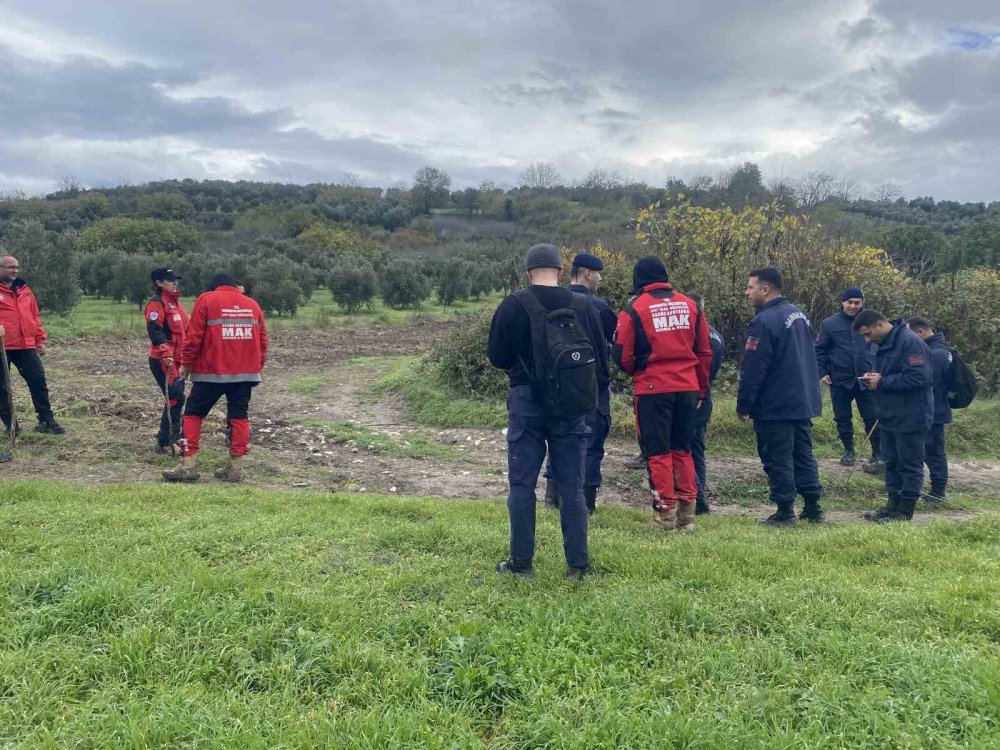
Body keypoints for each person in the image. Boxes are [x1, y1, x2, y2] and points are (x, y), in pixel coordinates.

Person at [487, 243, 608, 579]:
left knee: (522, 484)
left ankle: (521, 564)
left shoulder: (513, 304)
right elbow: (600, 357)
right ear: (560, 270)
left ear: (528, 273)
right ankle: (578, 567)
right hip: (571, 404)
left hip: (526, 401)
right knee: (572, 485)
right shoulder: (583, 305)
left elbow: (496, 356)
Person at [613, 256, 712, 532]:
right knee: (683, 450)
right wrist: (700, 388)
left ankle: (665, 514)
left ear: (638, 281)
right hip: (687, 388)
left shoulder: (634, 308)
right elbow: (705, 351)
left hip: (652, 389)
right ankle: (687, 515)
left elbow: (622, 355)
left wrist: (638, 371)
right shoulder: (691, 305)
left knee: (657, 452)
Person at [737, 268, 824, 526]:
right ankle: (813, 507)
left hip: (775, 403)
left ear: (765, 289)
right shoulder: (800, 316)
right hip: (802, 400)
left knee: (778, 457)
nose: (747, 292)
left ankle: (785, 511)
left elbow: (754, 367)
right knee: (802, 454)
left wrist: (744, 403)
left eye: (750, 287)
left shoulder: (763, 321)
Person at [163, 274, 268, 483]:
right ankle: (235, 467)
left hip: (211, 372)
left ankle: (188, 465)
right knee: (239, 417)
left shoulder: (206, 300)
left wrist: (186, 363)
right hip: (245, 374)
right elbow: (263, 340)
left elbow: (194, 336)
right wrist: (256, 366)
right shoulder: (252, 304)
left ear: (213, 287)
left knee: (193, 414)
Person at [543, 252, 614, 514]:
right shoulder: (600, 307)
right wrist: (605, 380)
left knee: (558, 438)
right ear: (587, 273)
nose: (600, 280)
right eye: (598, 274)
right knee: (591, 442)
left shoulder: (551, 301)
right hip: (591, 386)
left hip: (556, 387)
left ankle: (552, 499)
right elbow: (616, 344)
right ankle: (586, 504)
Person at [853, 310, 933, 523]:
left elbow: (919, 377)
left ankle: (905, 512)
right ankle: (891, 507)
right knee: (892, 463)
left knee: (909, 464)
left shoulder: (910, 342)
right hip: (889, 414)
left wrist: (883, 381)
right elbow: (890, 373)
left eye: (868, 334)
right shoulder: (883, 344)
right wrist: (874, 378)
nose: (867, 339)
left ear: (879, 325)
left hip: (911, 415)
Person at [815, 287, 881, 470]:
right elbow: (820, 350)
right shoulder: (829, 324)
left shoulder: (871, 322)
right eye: (849, 302)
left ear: (862, 303)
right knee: (842, 418)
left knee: (872, 417)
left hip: (866, 379)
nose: (853, 306)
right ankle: (848, 451)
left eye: (857, 303)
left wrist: (876, 371)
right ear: (842, 302)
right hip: (839, 379)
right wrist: (822, 372)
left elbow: (880, 347)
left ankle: (877, 453)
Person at [0, 255, 64, 435]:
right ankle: (11, 424)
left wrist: (39, 339)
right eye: (10, 267)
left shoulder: (25, 290)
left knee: (38, 380)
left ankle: (46, 420)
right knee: (2, 387)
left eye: (17, 267)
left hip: (25, 345)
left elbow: (34, 316)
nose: (15, 270)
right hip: (2, 346)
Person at [906, 316, 951, 504]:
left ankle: (938, 492)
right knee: (930, 451)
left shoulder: (935, 353)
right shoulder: (941, 350)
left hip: (933, 410)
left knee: (934, 452)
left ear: (920, 332)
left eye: (910, 334)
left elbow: (927, 383)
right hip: (933, 408)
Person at [687, 293, 726, 515]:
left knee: (684, 450)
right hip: (705, 397)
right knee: (698, 452)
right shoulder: (716, 335)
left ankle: (698, 497)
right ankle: (700, 497)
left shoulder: (693, 335)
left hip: (690, 397)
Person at [145, 267, 189, 452]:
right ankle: (168, 440)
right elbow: (155, 331)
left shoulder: (176, 304)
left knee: (175, 399)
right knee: (176, 398)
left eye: (175, 279)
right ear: (159, 282)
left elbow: (186, 330)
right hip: (163, 360)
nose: (175, 282)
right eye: (170, 280)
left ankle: (168, 438)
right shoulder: (156, 303)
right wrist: (166, 353)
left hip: (178, 360)